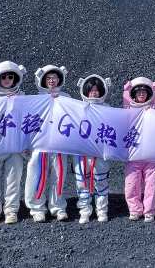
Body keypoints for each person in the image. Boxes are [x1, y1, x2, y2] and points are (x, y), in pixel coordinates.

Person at [0, 61, 28, 226]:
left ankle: (11, 211)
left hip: (15, 147)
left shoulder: (23, 98)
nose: (7, 80)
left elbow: (30, 121)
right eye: (3, 77)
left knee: (13, 180)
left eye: (10, 77)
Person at [25, 65, 71, 222]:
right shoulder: (35, 99)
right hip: (39, 144)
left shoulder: (66, 98)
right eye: (48, 78)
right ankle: (37, 208)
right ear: (42, 80)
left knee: (59, 176)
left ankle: (58, 207)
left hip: (59, 144)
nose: (52, 81)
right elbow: (25, 119)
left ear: (60, 79)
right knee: (37, 176)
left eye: (54, 78)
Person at [74, 75, 113, 223]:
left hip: (100, 152)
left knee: (101, 181)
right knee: (82, 182)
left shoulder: (108, 109)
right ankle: (84, 211)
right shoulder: (77, 107)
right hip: (82, 152)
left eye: (97, 90)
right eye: (91, 90)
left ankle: (102, 211)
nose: (94, 93)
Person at [123, 77, 155, 222]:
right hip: (133, 154)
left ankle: (150, 210)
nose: (141, 94)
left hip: (151, 154)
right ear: (133, 93)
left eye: (144, 92)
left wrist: (152, 112)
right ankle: (134, 209)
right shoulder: (127, 110)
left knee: (151, 184)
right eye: (138, 91)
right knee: (131, 183)